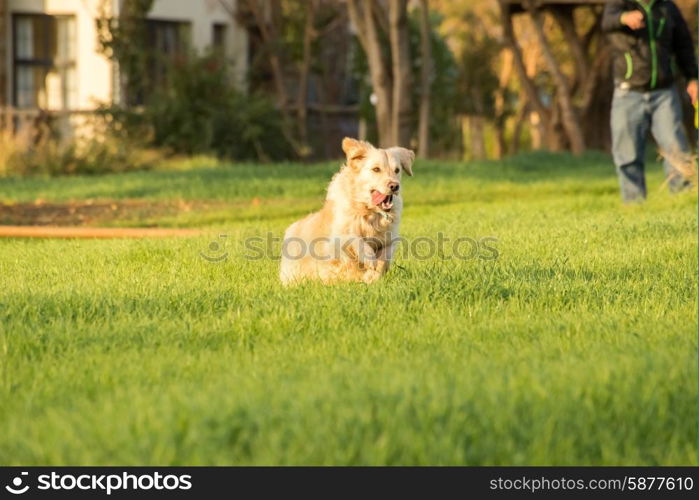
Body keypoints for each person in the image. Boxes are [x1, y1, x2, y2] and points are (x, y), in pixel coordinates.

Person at [602, 0, 698, 202]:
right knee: (626, 152)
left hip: (664, 92)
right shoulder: (619, 4)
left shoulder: (666, 7)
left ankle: (682, 199)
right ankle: (633, 203)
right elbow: (607, 22)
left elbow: (683, 44)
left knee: (676, 148)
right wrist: (624, 18)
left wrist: (692, 77)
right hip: (627, 91)